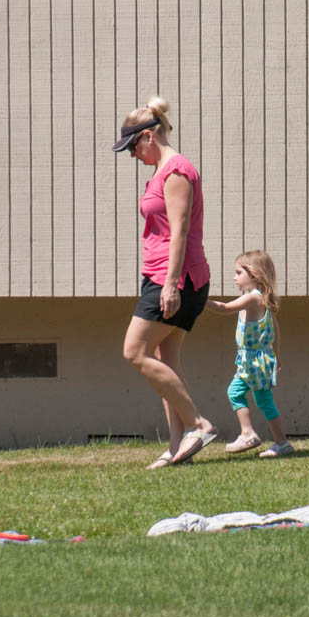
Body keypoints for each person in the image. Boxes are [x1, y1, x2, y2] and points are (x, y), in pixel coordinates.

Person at [113, 96, 219, 469]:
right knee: (165, 359)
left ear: (147, 137)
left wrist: (172, 284)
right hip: (161, 276)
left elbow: (180, 231)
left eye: (132, 147)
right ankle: (177, 448)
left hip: (176, 279)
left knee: (134, 351)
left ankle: (198, 424)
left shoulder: (176, 171)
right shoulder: (161, 171)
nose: (131, 155)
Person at [206, 250, 293, 459]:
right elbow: (276, 329)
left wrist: (199, 301)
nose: (234, 277)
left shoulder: (253, 299)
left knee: (236, 392)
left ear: (254, 275)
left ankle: (248, 433)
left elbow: (225, 308)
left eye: (238, 272)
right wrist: (276, 354)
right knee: (263, 400)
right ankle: (281, 442)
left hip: (253, 361)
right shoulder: (260, 300)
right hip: (255, 360)